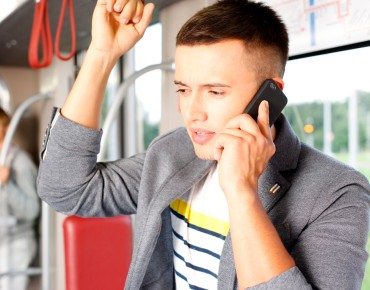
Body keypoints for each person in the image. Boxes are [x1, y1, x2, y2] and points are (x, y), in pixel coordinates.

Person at [37, 0, 370, 289]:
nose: (191, 113)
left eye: (215, 91)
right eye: (183, 89)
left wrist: (242, 193)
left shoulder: (337, 191)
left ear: (269, 94)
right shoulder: (172, 153)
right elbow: (64, 188)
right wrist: (101, 54)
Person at [0, 108, 39, 290]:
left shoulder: (21, 164)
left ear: (6, 129)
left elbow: (32, 211)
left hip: (16, 245)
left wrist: (9, 184)